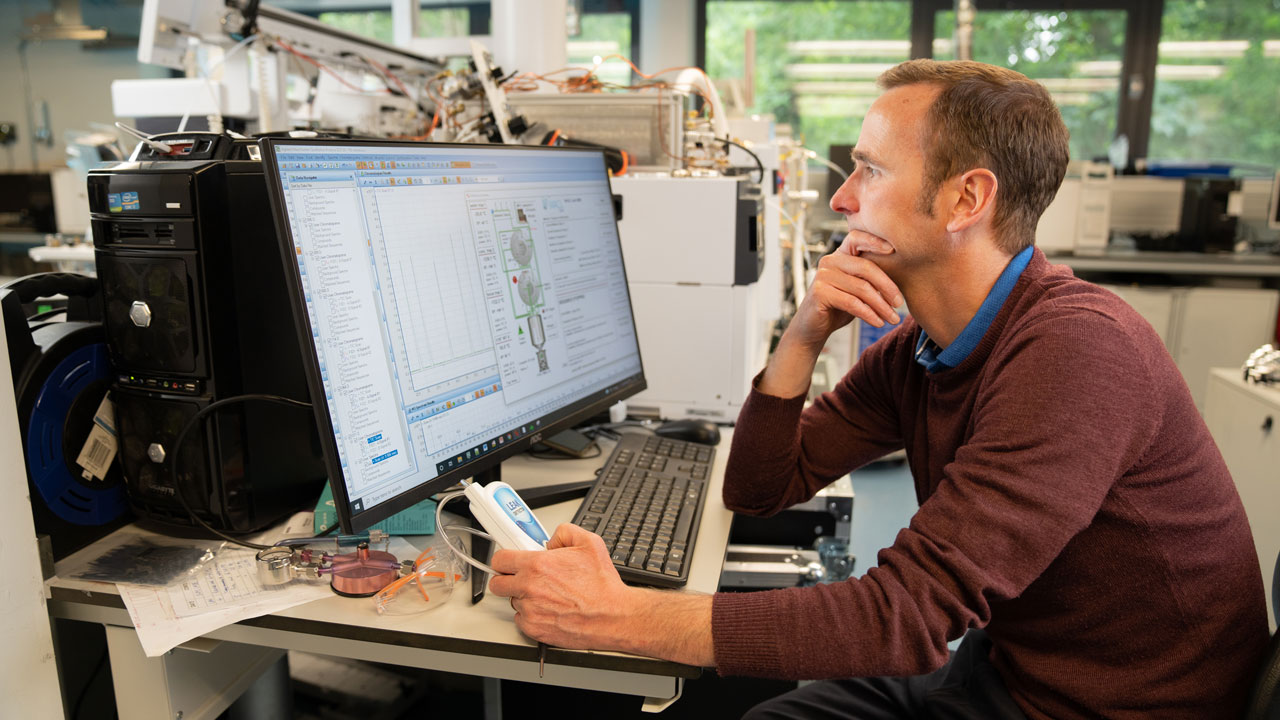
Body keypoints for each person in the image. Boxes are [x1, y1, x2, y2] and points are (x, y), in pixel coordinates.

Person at [487, 59, 1268, 719]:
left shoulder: (1077, 352)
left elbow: (905, 616)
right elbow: (760, 488)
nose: (842, 197)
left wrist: (624, 617)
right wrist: (802, 333)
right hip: (1010, 675)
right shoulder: (923, 350)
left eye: (872, 170)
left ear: (967, 200)